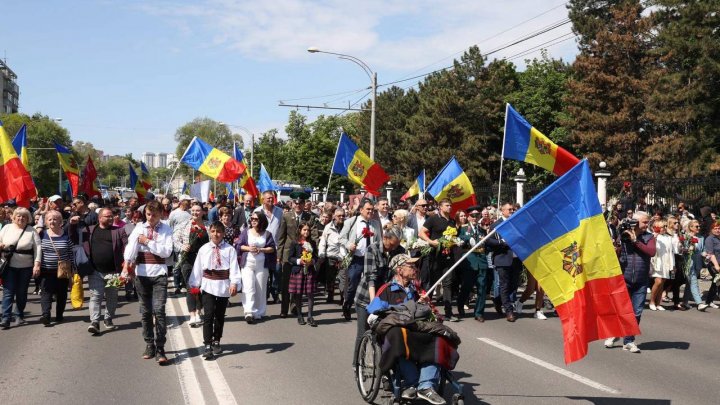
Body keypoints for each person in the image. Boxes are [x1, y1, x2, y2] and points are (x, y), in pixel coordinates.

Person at [366, 254, 446, 405]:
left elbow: (435, 314)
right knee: (399, 337)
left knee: (438, 336)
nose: (415, 269)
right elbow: (372, 310)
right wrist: (400, 308)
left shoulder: (417, 290)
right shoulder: (386, 289)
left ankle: (426, 386)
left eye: (415, 266)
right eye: (411, 266)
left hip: (416, 329)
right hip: (398, 332)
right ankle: (412, 383)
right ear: (399, 270)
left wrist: (425, 304)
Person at [122, 200, 174, 365]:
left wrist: (147, 242)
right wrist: (126, 267)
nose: (151, 218)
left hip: (159, 274)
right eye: (149, 214)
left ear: (161, 214)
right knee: (145, 312)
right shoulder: (139, 228)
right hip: (142, 274)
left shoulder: (166, 229)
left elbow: (165, 252)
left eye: (155, 215)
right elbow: (130, 249)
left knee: (159, 310)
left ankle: (160, 347)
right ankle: (149, 344)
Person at [189, 221, 242, 360]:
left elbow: (234, 268)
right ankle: (207, 345)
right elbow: (198, 267)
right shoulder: (204, 249)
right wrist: (195, 284)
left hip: (223, 284)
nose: (216, 234)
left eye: (219, 231)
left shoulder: (229, 249)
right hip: (208, 284)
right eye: (213, 231)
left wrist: (234, 283)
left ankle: (216, 340)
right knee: (208, 315)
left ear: (223, 233)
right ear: (209, 232)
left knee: (219, 315)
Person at [353, 226, 405, 365]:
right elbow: (371, 278)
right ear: (385, 238)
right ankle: (358, 363)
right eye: (392, 244)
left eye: (397, 244)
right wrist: (373, 305)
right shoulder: (372, 249)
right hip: (366, 297)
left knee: (384, 333)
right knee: (363, 331)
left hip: (387, 298)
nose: (394, 248)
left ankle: (383, 365)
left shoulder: (399, 250)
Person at [605, 211, 655, 353]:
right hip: (623, 279)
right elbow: (618, 252)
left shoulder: (649, 237)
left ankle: (629, 340)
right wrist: (617, 246)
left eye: (648, 222)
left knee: (637, 311)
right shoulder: (623, 234)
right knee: (619, 309)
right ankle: (613, 333)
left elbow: (651, 251)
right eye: (645, 222)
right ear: (636, 222)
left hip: (641, 280)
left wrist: (635, 241)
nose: (647, 224)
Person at [82, 207, 129, 334]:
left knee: (112, 297)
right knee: (96, 297)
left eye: (111, 216)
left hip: (114, 272)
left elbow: (128, 247)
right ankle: (95, 322)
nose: (110, 218)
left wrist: (127, 266)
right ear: (100, 218)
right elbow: (72, 235)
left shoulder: (119, 231)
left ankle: (108, 319)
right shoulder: (89, 230)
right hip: (95, 271)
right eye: (107, 216)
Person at [340, 198, 382, 320]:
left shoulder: (375, 224)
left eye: (372, 210)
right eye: (368, 209)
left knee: (371, 284)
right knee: (353, 283)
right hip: (356, 259)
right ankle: (347, 304)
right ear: (361, 209)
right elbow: (341, 238)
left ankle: (368, 309)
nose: (371, 212)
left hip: (371, 260)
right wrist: (349, 245)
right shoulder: (351, 222)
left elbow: (379, 241)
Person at [0, 207, 41, 328]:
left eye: (24, 216)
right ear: (13, 217)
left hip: (26, 267)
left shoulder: (32, 230)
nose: (21, 218)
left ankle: (19, 315)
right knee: (8, 292)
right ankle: (6, 318)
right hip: (9, 265)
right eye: (18, 216)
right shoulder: (7, 228)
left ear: (28, 218)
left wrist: (37, 264)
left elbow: (38, 248)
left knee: (21, 292)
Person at [419, 198, 458, 321]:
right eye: (447, 205)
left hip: (448, 256)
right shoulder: (433, 219)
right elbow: (421, 233)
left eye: (450, 205)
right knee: (432, 283)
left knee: (448, 284)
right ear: (440, 207)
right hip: (435, 257)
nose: (450, 207)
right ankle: (425, 311)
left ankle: (448, 313)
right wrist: (431, 242)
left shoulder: (452, 221)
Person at [236, 212, 276, 323]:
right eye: (252, 218)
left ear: (262, 221)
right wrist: (249, 248)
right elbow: (239, 246)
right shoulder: (246, 232)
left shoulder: (267, 234)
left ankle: (258, 312)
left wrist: (261, 249)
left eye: (256, 219)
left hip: (262, 264)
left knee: (261, 288)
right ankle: (248, 311)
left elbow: (272, 248)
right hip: (248, 264)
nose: (253, 220)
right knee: (248, 287)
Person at [485, 202, 522, 322]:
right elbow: (488, 241)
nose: (512, 211)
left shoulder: (516, 223)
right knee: (504, 285)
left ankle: (498, 300)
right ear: (503, 211)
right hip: (502, 259)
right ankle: (509, 311)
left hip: (516, 259)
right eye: (509, 210)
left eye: (512, 210)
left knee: (514, 285)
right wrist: (502, 243)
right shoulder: (496, 225)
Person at [174, 203, 209, 327]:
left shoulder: (209, 225)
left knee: (201, 287)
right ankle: (192, 314)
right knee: (190, 287)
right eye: (193, 210)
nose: (195, 213)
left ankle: (199, 311)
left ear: (203, 212)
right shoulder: (184, 225)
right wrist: (183, 246)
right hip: (187, 259)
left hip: (204, 261)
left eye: (198, 210)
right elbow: (175, 240)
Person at [37, 210, 75, 326]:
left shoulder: (65, 235)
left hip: (62, 271)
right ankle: (46, 315)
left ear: (60, 222)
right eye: (49, 219)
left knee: (62, 294)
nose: (52, 221)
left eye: (55, 219)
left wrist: (72, 271)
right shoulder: (41, 234)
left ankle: (59, 315)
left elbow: (70, 253)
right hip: (46, 270)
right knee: (46, 293)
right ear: (46, 222)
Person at [276, 197, 312, 317]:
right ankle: (284, 310)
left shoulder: (309, 217)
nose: (298, 205)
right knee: (286, 283)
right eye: (296, 203)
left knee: (297, 283)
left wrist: (313, 252)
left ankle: (295, 306)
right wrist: (279, 256)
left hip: (303, 253)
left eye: (300, 203)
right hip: (288, 254)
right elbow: (281, 237)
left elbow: (313, 235)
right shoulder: (286, 216)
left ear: (304, 204)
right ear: (292, 204)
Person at [457, 206, 490, 322]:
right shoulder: (463, 228)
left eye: (477, 215)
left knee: (482, 288)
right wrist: (467, 238)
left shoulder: (482, 229)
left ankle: (479, 312)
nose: (475, 218)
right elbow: (458, 237)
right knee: (467, 286)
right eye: (473, 216)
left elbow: (486, 245)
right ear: (468, 217)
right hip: (469, 261)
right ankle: (460, 304)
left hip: (481, 261)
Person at [255, 191, 284, 303]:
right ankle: (265, 294)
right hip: (262, 247)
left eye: (272, 198)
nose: (271, 200)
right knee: (264, 272)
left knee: (277, 271)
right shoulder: (257, 211)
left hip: (276, 247)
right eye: (268, 198)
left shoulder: (280, 212)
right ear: (263, 199)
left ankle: (275, 293)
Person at [287, 222, 318, 326]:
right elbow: (290, 258)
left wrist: (312, 261)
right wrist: (299, 261)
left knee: (310, 294)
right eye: (304, 230)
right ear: (300, 230)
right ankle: (300, 315)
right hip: (298, 271)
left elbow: (316, 256)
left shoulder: (312, 243)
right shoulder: (295, 243)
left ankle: (310, 316)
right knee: (298, 294)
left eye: (308, 230)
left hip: (309, 270)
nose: (306, 232)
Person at [318, 208, 347, 304]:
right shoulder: (328, 227)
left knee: (343, 278)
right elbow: (323, 241)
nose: (342, 217)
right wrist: (321, 254)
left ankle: (343, 298)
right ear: (334, 216)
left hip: (343, 257)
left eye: (343, 215)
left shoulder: (347, 226)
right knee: (330, 278)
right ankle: (330, 294)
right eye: (339, 216)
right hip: (331, 256)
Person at [649, 218, 673, 311]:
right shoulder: (653, 236)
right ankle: (652, 301)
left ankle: (658, 303)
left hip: (666, 262)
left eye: (666, 226)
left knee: (662, 283)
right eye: (663, 226)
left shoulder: (668, 237)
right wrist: (655, 236)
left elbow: (670, 252)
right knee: (658, 281)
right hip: (657, 261)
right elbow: (652, 248)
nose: (665, 228)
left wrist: (672, 265)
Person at [682, 220, 706, 310]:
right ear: (690, 227)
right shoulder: (685, 237)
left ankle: (685, 301)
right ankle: (699, 303)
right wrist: (688, 245)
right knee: (694, 281)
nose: (698, 228)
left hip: (698, 262)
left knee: (690, 283)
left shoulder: (701, 238)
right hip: (689, 262)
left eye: (699, 226)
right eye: (696, 226)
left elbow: (703, 249)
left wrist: (704, 253)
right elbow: (683, 249)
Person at [702, 221, 720, 310]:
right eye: (715, 228)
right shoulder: (710, 239)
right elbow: (711, 253)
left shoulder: (719, 238)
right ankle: (709, 301)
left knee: (716, 283)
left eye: (719, 228)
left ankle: (709, 301)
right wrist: (716, 265)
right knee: (717, 281)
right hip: (713, 264)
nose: (717, 230)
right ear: (711, 229)